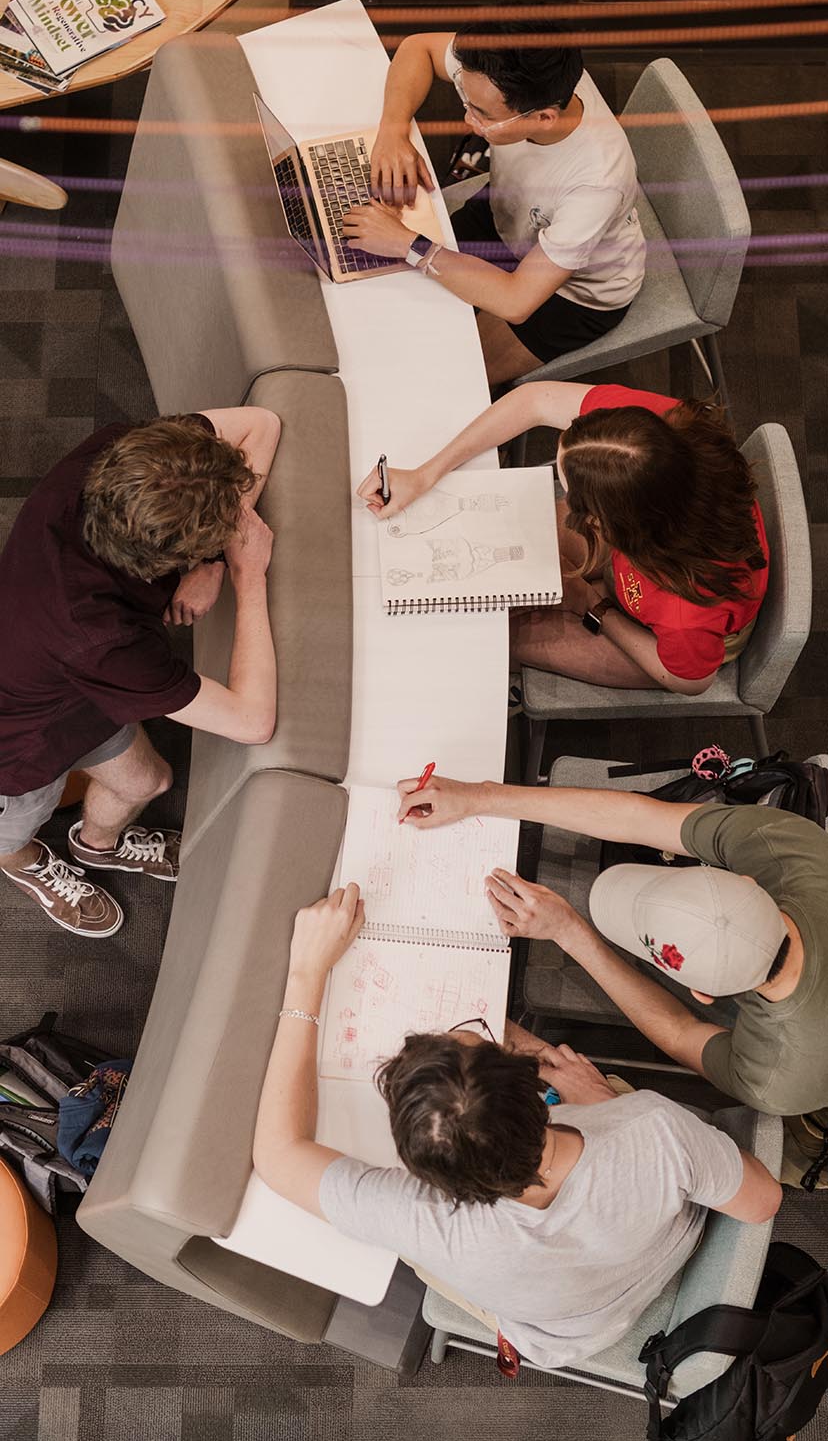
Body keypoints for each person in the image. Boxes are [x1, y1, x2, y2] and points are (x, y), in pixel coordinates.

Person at [253, 885, 780, 1372]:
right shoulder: (652, 1127)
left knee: (408, 1259)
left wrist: (306, 975)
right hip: (659, 1248)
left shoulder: (426, 1223)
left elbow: (278, 1155)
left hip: (565, 1333)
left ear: (424, 1176)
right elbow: (761, 1202)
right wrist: (607, 1107)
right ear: (537, 1094)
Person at [395, 772, 828, 1123]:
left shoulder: (778, 1076)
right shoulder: (792, 848)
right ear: (745, 880)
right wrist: (480, 795)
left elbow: (680, 1032)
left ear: (702, 995)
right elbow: (643, 820)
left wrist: (573, 934)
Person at [0, 407, 281, 938]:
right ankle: (24, 865)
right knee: (15, 828)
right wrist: (248, 576)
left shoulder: (126, 457)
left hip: (77, 690)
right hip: (14, 746)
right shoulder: (105, 640)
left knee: (152, 781)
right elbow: (253, 721)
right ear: (160, 560)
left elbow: (262, 423)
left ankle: (97, 845)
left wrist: (211, 561)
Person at [357, 380, 769, 695]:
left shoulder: (687, 609)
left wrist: (594, 606)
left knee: (494, 637)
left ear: (609, 524)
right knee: (488, 576)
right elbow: (532, 401)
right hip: (648, 549)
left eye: (569, 491)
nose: (561, 494)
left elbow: (686, 678)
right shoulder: (644, 435)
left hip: (668, 641)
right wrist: (428, 474)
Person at [340, 19, 646, 385]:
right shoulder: (517, 71)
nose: (468, 120)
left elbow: (516, 302)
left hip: (574, 293)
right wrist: (393, 130)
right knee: (379, 288)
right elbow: (417, 48)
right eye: (467, 101)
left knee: (444, 378)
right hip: (506, 217)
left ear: (545, 118)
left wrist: (409, 243)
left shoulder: (596, 185)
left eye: (483, 115)